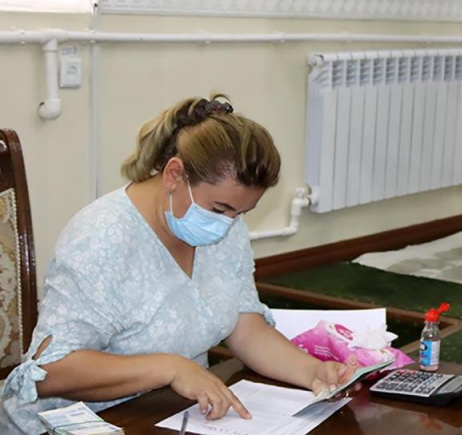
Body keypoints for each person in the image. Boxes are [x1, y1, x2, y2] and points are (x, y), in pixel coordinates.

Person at [1, 96, 356, 434]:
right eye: (220, 209)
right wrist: (170, 367)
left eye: (241, 212)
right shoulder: (101, 238)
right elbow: (50, 372)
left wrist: (314, 372)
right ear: (174, 174)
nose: (229, 223)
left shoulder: (224, 226)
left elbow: (245, 328)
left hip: (170, 414)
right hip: (73, 423)